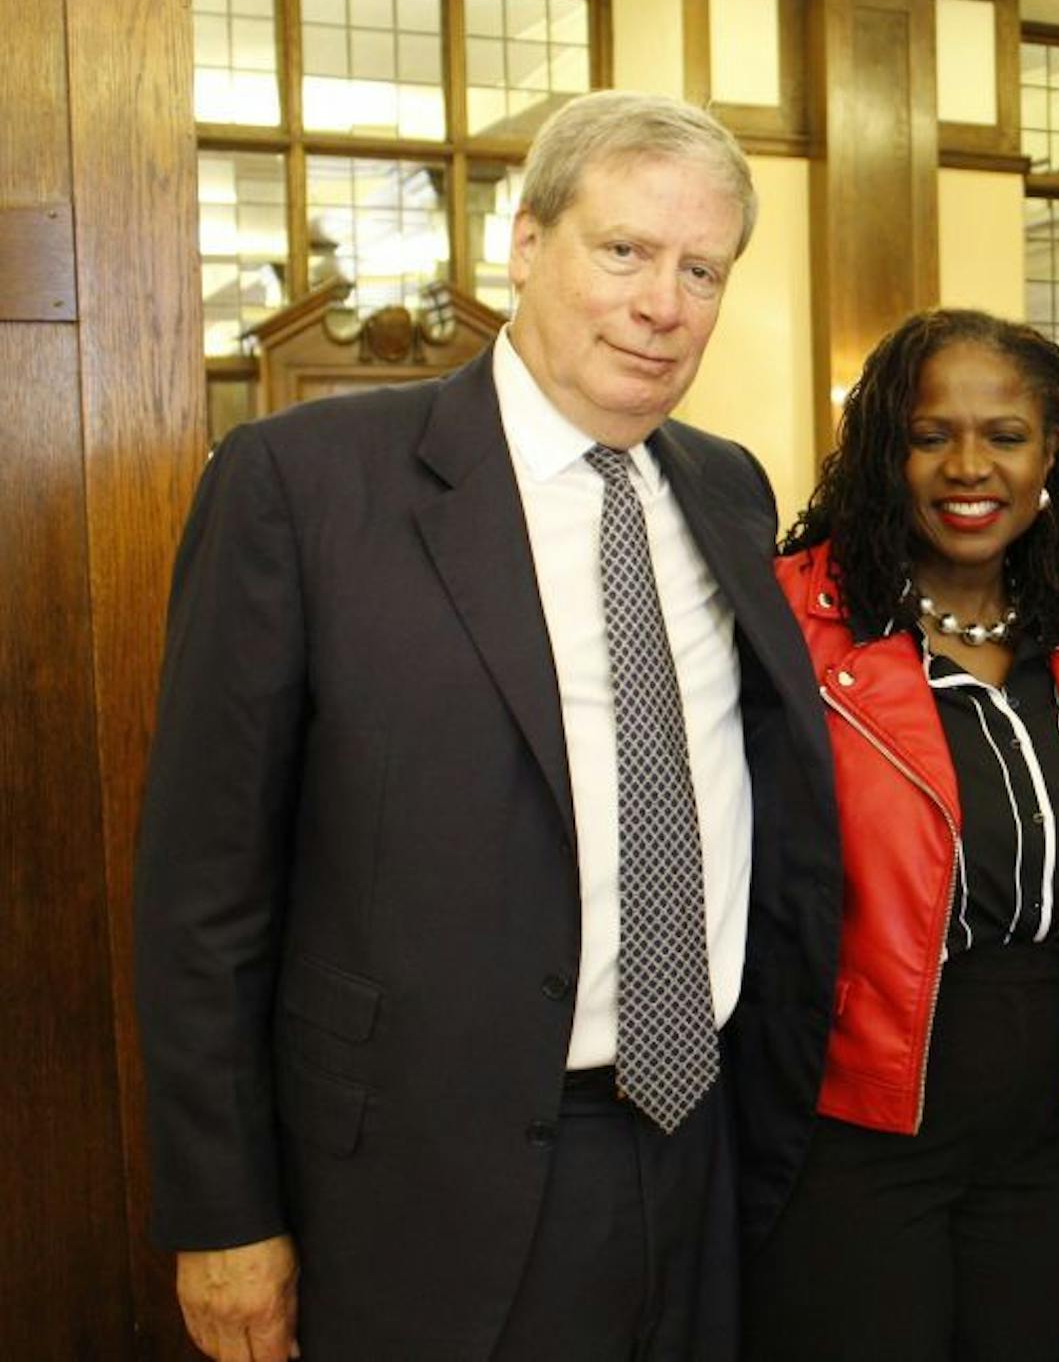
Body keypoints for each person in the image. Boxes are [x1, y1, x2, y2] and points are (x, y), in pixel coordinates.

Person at [132, 91, 842, 1361]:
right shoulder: (305, 485)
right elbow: (204, 889)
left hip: (701, 1147)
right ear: (524, 244)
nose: (661, 304)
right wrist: (222, 1213)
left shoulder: (728, 486)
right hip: (423, 1185)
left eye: (701, 270)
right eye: (622, 250)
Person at [746, 309, 1059, 1362]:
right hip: (848, 1128)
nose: (967, 466)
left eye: (1007, 436)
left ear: (1053, 453)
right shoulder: (789, 621)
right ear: (883, 451)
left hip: (1039, 1125)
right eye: (930, 435)